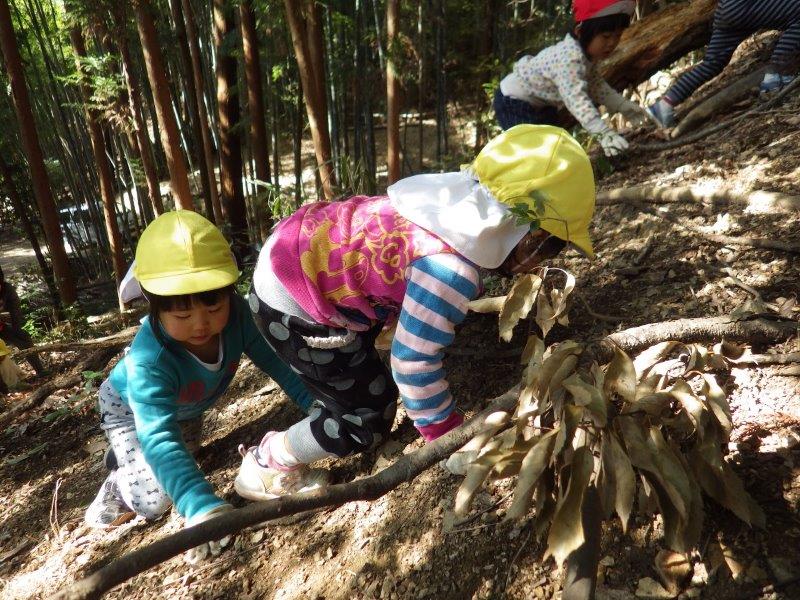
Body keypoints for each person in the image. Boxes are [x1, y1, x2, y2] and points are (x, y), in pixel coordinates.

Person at [234, 124, 595, 501]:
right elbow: (412, 363)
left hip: (299, 250)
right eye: (553, 249)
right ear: (529, 238)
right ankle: (269, 461)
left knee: (364, 367)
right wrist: (450, 439)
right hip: (294, 301)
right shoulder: (449, 270)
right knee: (365, 419)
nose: (548, 261)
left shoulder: (442, 206)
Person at [84, 210, 324, 563]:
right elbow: (159, 438)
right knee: (155, 498)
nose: (201, 324)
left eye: (214, 307)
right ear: (154, 307)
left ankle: (127, 455)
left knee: (186, 453)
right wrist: (200, 507)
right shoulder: (150, 361)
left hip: (186, 407)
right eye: (182, 315)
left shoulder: (238, 316)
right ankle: (118, 485)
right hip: (129, 410)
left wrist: (316, 402)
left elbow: (278, 363)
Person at [492, 0, 654, 157]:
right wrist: (604, 133)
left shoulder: (585, 57)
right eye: (605, 36)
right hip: (513, 102)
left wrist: (622, 105)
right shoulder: (569, 59)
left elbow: (597, 87)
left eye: (617, 36)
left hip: (541, 104)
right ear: (580, 32)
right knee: (531, 151)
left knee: (553, 147)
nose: (612, 43)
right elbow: (578, 101)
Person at [648, 0, 800, 128]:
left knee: (712, 63)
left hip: (727, 9)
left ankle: (664, 105)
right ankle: (776, 79)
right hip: (745, 7)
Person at [0, 265, 46, 377]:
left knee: (23, 338)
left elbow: (15, 311)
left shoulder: (7, 289)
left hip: (3, 326)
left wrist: (16, 329)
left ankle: (40, 370)